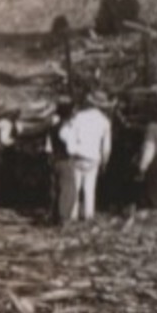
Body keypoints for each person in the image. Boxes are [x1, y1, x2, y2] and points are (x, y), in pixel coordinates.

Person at [53, 91, 112, 224]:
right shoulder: (105, 121)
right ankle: (88, 216)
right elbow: (106, 146)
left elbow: (64, 133)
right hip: (93, 157)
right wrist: (105, 161)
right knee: (90, 189)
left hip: (76, 155)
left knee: (74, 187)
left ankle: (72, 216)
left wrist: (71, 147)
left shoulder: (78, 117)